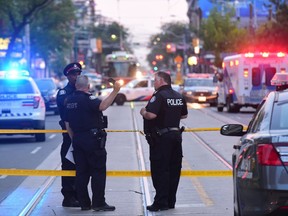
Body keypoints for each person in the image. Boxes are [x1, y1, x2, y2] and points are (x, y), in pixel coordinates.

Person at [64, 75, 121, 211]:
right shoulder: (88, 98)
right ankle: (98, 203)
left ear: (76, 85)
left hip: (77, 139)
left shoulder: (69, 100)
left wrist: (74, 139)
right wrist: (115, 91)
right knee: (98, 172)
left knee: (81, 173)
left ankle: (84, 203)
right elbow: (103, 106)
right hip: (92, 140)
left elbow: (67, 124)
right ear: (88, 86)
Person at [140, 71, 188, 212]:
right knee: (174, 170)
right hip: (176, 137)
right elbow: (184, 115)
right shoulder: (179, 96)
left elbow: (151, 115)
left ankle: (160, 202)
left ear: (161, 81)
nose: (154, 83)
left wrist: (143, 111)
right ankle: (170, 201)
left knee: (160, 170)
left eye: (155, 80)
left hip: (161, 139)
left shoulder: (159, 96)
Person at [56, 62, 82, 207]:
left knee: (81, 166)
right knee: (68, 166)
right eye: (73, 74)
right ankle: (68, 197)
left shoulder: (82, 91)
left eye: (78, 74)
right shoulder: (64, 93)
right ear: (68, 76)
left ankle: (79, 194)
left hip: (82, 134)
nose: (76, 76)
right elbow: (66, 106)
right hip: (69, 135)